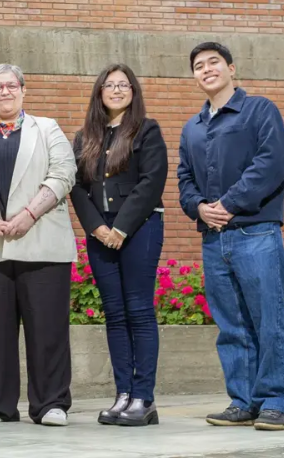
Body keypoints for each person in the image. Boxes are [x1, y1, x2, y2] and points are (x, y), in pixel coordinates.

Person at [178, 42, 284, 432]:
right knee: (232, 326)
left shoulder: (259, 110)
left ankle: (276, 401)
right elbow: (184, 179)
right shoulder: (192, 128)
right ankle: (244, 401)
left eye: (214, 62)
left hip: (256, 232)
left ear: (231, 68)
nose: (206, 69)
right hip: (215, 239)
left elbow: (273, 162)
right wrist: (199, 207)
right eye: (199, 65)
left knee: (267, 321)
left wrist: (229, 203)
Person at [0, 64, 77, 427]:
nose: (5, 92)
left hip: (41, 241)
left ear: (23, 90)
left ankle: (51, 403)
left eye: (11, 86)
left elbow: (64, 173)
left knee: (47, 328)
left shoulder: (48, 128)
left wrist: (30, 213)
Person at [70, 64, 168, 427]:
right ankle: (123, 393)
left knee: (139, 310)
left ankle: (144, 398)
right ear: (99, 92)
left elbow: (151, 182)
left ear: (133, 91)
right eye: (109, 85)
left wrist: (121, 228)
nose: (116, 90)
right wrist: (97, 227)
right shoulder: (84, 137)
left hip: (140, 227)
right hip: (100, 232)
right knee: (114, 313)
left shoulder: (147, 129)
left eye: (123, 85)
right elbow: (76, 186)